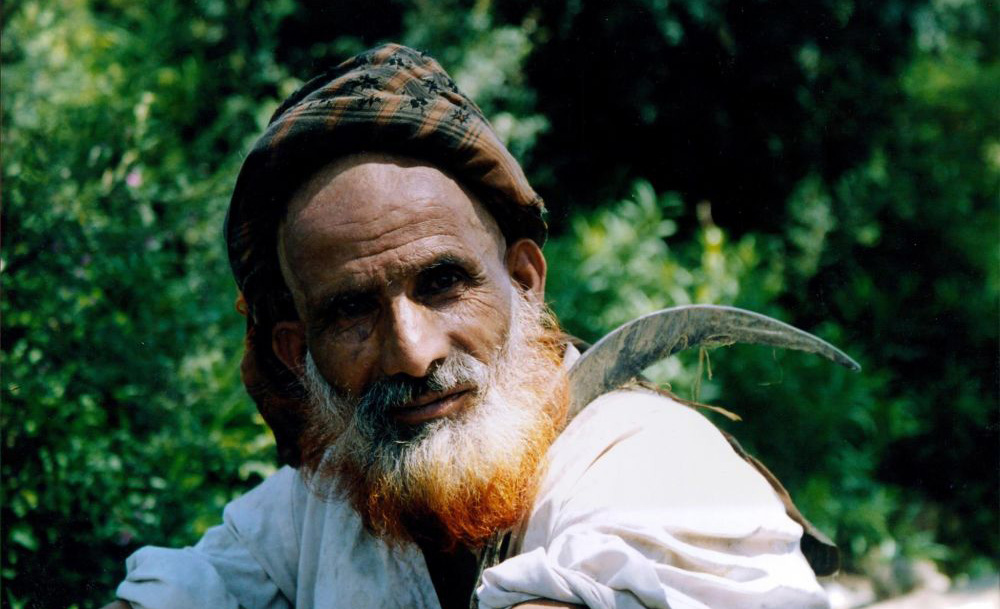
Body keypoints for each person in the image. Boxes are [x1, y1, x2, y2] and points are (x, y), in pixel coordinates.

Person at [103, 43, 833, 609]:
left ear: (523, 279)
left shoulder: (648, 457)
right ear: (298, 352)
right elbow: (191, 584)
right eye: (351, 310)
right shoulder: (326, 497)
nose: (412, 353)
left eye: (443, 282)